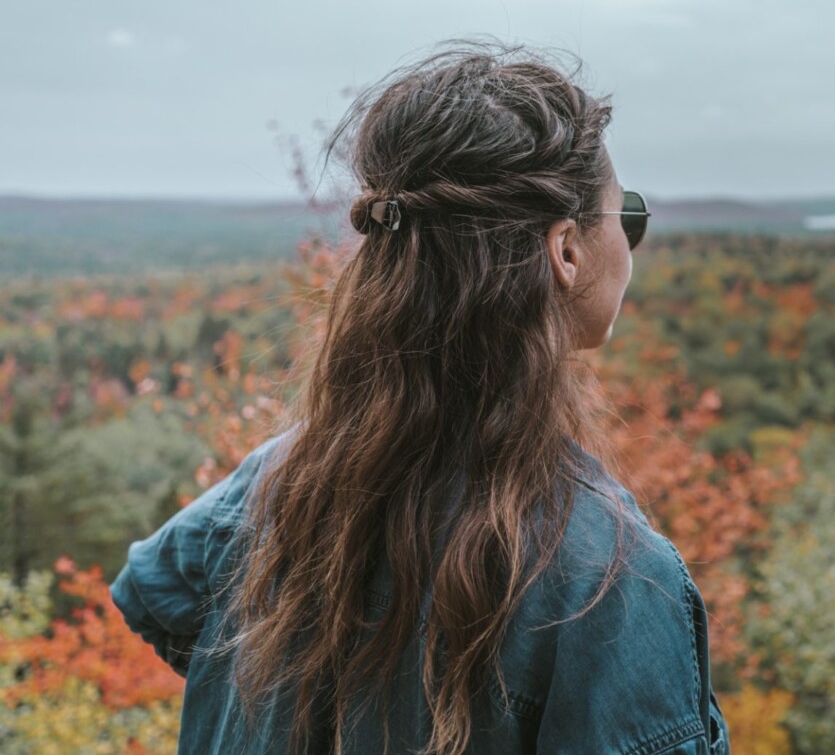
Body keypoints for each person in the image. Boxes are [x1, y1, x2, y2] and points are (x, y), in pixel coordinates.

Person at [110, 43, 730, 754]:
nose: (632, 240)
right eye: (629, 218)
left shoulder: (274, 483)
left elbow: (154, 589)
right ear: (565, 250)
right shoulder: (611, 584)